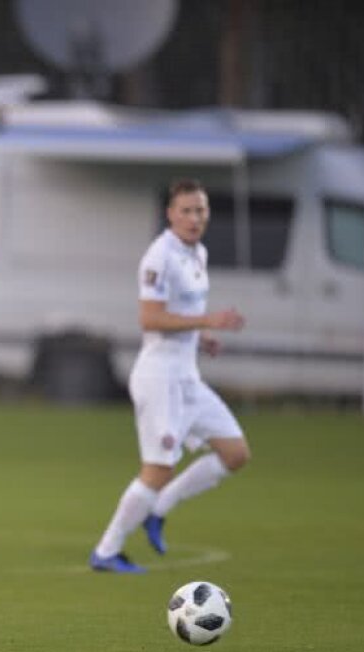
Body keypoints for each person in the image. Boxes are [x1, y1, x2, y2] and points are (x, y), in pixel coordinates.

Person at [90, 179, 251, 573]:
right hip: (159, 378)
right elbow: (150, 317)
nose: (195, 218)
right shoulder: (159, 256)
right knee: (158, 469)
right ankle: (107, 552)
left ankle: (159, 508)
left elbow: (179, 313)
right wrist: (207, 319)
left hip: (186, 377)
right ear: (170, 214)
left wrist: (201, 336)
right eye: (187, 210)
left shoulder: (197, 253)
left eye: (201, 210)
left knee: (235, 453)